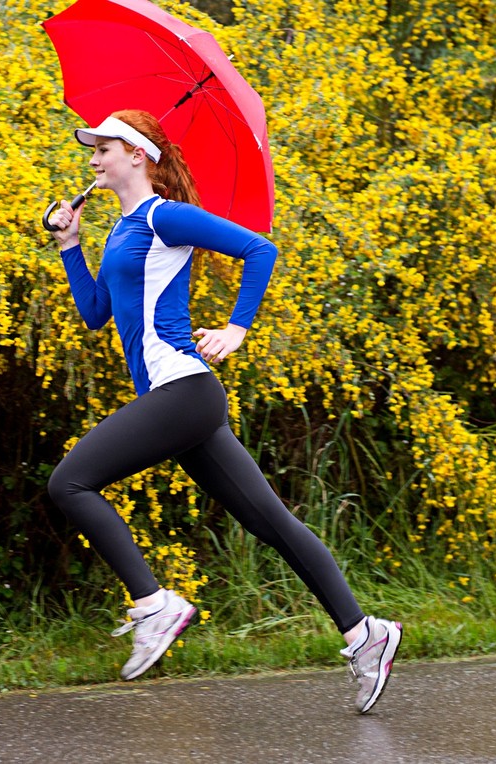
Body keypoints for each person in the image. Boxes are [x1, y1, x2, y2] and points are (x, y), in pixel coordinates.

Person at [45, 109, 402, 713]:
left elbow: (259, 249)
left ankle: (155, 605)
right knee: (272, 524)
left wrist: (238, 327)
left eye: (102, 147)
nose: (93, 158)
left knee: (69, 482)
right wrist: (70, 245)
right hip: (184, 401)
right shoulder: (121, 230)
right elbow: (96, 313)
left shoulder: (165, 217)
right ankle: (364, 633)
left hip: (181, 391)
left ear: (136, 155)